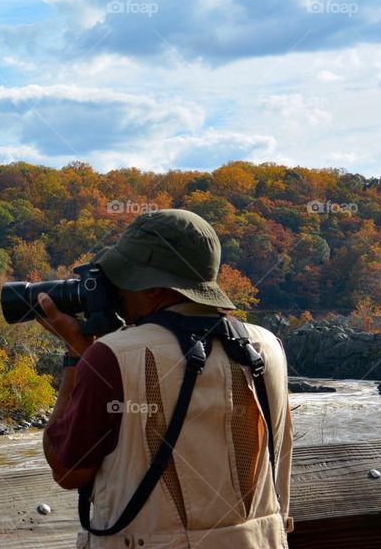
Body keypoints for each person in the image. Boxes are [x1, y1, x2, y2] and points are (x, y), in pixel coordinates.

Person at [39, 209, 293, 548]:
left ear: (155, 289)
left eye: (124, 278)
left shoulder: (113, 357)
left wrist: (77, 355)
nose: (118, 289)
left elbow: (67, 470)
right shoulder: (267, 346)